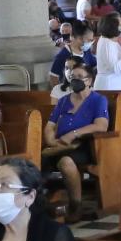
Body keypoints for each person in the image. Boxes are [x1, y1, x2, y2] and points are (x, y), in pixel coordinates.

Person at [42, 71, 109, 213]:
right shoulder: (63, 101)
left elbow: (101, 126)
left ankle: (76, 206)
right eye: (72, 77)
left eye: (79, 77)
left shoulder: (98, 100)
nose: (75, 80)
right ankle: (40, 204)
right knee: (36, 160)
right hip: (58, 146)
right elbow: (50, 125)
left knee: (66, 162)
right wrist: (51, 141)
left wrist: (73, 134)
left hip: (84, 146)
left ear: (89, 81)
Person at [91, 13, 121, 92]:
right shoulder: (106, 43)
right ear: (113, 27)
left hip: (118, 85)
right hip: (110, 86)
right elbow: (115, 67)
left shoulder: (112, 40)